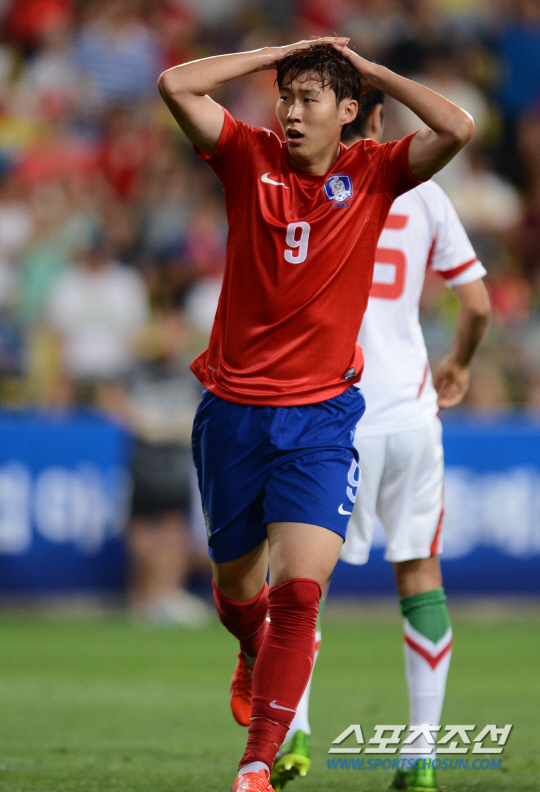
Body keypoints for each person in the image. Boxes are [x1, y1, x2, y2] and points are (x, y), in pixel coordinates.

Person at [158, 38, 474, 792]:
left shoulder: (375, 173)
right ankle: (248, 649)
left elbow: (458, 127)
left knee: (299, 595)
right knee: (241, 598)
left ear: (349, 111)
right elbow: (175, 84)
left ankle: (257, 763)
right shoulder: (248, 156)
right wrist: (278, 53)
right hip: (233, 415)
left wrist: (372, 70)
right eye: (286, 97)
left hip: (323, 421)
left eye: (309, 99)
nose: (292, 113)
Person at [271, 91, 490, 792]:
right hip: (411, 414)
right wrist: (459, 364)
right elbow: (478, 304)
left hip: (333, 412)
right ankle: (421, 755)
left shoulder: (309, 186)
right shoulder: (425, 196)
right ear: (379, 121)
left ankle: (293, 730)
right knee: (420, 577)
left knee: (300, 580)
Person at [99, 307, 212, 627]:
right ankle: (143, 597)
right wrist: (138, 419)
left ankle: (167, 594)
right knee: (141, 531)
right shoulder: (136, 370)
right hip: (144, 463)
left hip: (177, 464)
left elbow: (207, 403)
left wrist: (180, 424)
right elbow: (109, 396)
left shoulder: (191, 372)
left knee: (174, 530)